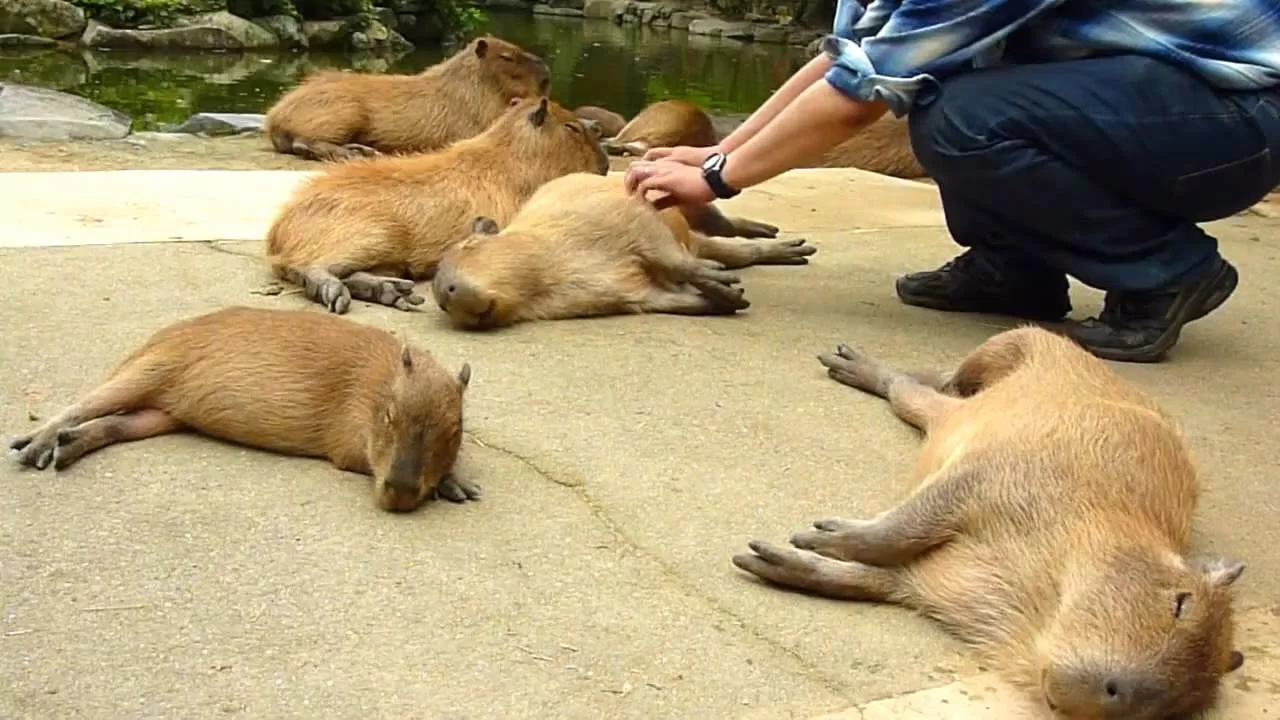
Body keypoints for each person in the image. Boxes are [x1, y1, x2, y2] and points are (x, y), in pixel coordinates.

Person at [623, 0, 1280, 363]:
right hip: (1162, 102)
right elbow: (849, 62)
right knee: (948, 89)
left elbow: (860, 99)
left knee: (960, 118)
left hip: (1241, 120)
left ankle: (1165, 272)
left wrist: (719, 180)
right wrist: (712, 155)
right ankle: (1017, 269)